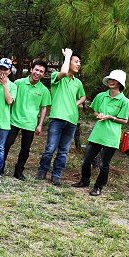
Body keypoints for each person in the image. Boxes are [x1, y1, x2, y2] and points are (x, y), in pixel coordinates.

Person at [71, 70, 129, 196]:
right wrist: (99, 115)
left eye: (114, 80)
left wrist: (111, 117)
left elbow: (124, 120)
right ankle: (84, 181)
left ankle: (98, 187)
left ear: (120, 83)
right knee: (86, 160)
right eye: (110, 79)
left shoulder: (125, 101)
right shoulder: (101, 96)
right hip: (97, 133)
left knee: (104, 164)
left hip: (112, 136)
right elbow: (95, 112)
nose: (111, 81)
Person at [36, 48, 86, 186]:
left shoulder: (77, 82)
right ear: (68, 62)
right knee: (50, 148)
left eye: (79, 62)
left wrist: (75, 103)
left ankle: (56, 175)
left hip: (72, 120)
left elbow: (83, 96)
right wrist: (68, 55)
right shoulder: (56, 76)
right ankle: (42, 171)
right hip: (57, 118)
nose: (79, 64)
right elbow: (63, 72)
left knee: (63, 151)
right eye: (76, 61)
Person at [2, 60, 51, 180]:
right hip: (14, 120)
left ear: (44, 74)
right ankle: (0, 166)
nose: (37, 73)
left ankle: (19, 171)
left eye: (41, 71)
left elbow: (43, 108)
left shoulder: (44, 90)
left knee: (25, 149)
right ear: (31, 69)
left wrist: (40, 124)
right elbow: (10, 99)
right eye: (36, 70)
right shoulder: (19, 83)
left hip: (30, 123)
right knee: (6, 144)